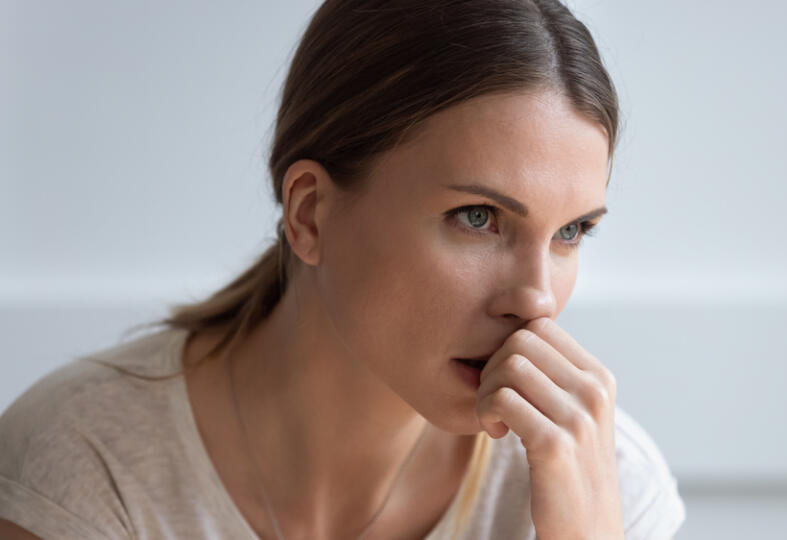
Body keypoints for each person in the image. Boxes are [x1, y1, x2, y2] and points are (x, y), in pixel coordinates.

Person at [0, 0, 686, 538]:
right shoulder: (84, 470)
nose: (536, 301)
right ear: (309, 215)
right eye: (478, 217)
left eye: (571, 232)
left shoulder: (606, 483)